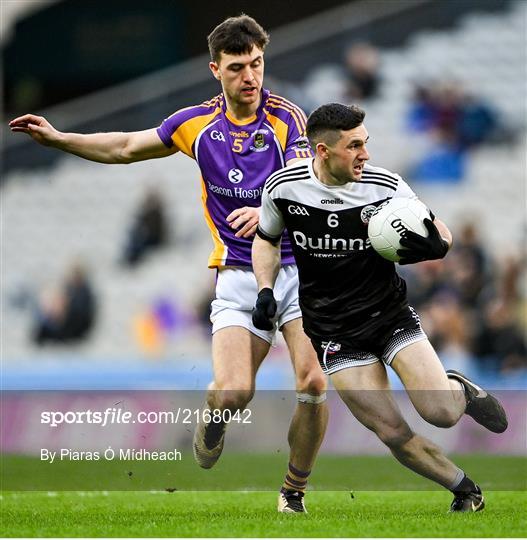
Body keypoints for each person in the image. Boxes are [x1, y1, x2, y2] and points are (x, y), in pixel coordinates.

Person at [9, 15, 328, 513]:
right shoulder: (195, 125)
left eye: (258, 64)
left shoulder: (288, 117)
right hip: (238, 276)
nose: (251, 76)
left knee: (312, 382)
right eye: (239, 67)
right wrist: (60, 139)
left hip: (295, 271)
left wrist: (269, 205)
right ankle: (215, 411)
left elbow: (304, 181)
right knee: (235, 392)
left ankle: (293, 494)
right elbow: (125, 147)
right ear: (215, 70)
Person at [251, 103, 508, 513]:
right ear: (322, 151)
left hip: (388, 317)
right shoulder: (283, 188)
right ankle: (466, 491)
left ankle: (457, 388)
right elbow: (266, 238)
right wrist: (265, 289)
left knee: (440, 412)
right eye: (354, 146)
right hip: (333, 331)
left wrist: (438, 245)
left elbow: (439, 231)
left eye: (365, 143)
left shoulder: (386, 186)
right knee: (391, 432)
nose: (365, 154)